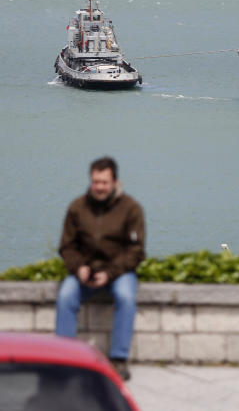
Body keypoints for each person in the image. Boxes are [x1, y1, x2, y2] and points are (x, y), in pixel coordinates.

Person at [56, 157, 145, 381]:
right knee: (66, 295)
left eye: (104, 182)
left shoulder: (131, 208)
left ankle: (119, 359)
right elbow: (67, 246)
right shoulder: (77, 207)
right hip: (83, 271)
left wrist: (110, 273)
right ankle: (64, 357)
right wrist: (78, 268)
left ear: (115, 182)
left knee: (126, 297)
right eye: (96, 182)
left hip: (118, 273)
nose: (99, 187)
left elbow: (136, 251)